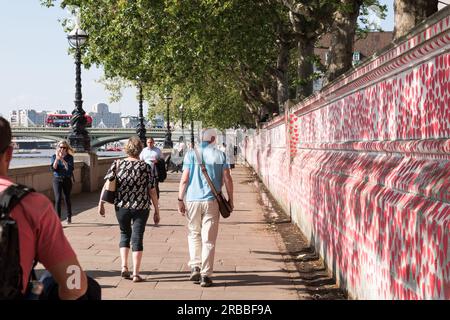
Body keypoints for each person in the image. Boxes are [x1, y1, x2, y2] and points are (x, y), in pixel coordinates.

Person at [0, 116, 93, 300]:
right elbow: (74, 285)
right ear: (9, 154)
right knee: (84, 287)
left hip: (63, 181)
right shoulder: (31, 204)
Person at [177, 128, 234, 287]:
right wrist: (231, 199)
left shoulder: (190, 154)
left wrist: (180, 199)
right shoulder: (220, 155)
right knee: (208, 239)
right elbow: (228, 179)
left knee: (194, 233)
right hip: (212, 201)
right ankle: (205, 275)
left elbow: (184, 179)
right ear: (213, 138)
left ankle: (195, 266)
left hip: (193, 200)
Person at [99, 136, 160, 283]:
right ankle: (135, 274)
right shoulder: (146, 167)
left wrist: (100, 203)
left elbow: (107, 185)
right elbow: (152, 190)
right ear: (140, 150)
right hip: (141, 207)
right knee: (137, 237)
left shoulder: (118, 163)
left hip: (121, 207)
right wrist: (157, 210)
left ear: (127, 149)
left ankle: (124, 267)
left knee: (124, 234)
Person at [50, 140, 74, 224]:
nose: (62, 149)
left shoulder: (70, 157)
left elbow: (69, 169)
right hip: (57, 179)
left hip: (66, 179)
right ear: (58, 148)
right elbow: (53, 169)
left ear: (67, 148)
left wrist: (62, 160)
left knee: (67, 198)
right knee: (58, 199)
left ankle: (69, 216)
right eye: (61, 147)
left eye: (64, 147)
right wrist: (57, 159)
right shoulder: (53, 156)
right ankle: (58, 220)